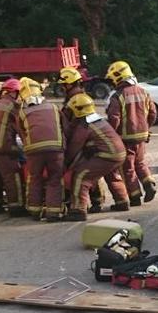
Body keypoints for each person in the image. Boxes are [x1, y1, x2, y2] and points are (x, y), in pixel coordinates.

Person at [58, 66, 128, 213]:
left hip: (106, 153)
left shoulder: (83, 121)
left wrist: (65, 163)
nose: (62, 88)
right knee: (109, 174)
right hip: (115, 152)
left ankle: (78, 209)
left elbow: (75, 146)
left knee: (81, 176)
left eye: (63, 85)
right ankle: (122, 201)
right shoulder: (92, 114)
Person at [105, 60, 158, 206]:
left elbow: (114, 119)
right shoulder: (144, 92)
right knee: (140, 163)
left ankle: (135, 197)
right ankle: (149, 184)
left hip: (125, 138)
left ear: (118, 77)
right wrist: (146, 128)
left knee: (128, 169)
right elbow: (153, 113)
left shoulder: (118, 96)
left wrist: (110, 135)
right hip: (142, 136)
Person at [17, 77, 66, 222]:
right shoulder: (54, 107)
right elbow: (65, 127)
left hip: (33, 151)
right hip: (55, 149)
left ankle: (34, 210)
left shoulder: (22, 113)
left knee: (34, 178)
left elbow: (22, 133)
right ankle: (54, 212)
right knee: (55, 179)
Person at [0, 78, 27, 217]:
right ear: (15, 92)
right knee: (12, 176)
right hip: (3, 147)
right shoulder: (13, 106)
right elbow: (21, 128)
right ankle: (16, 207)